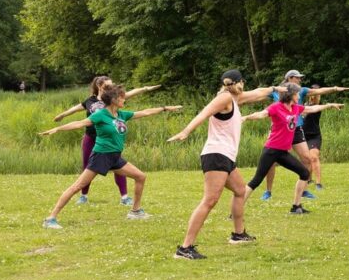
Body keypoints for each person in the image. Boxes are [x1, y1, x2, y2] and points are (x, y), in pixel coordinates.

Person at [166, 70, 279, 260]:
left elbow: (259, 92)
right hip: (216, 154)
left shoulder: (235, 98)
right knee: (209, 200)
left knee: (240, 190)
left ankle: (238, 234)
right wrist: (186, 131)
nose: (240, 87)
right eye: (237, 83)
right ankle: (185, 248)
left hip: (225, 156)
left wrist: (277, 88)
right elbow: (204, 113)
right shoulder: (224, 98)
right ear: (236, 83)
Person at [39, 83, 182, 229]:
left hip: (115, 157)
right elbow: (81, 123)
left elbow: (145, 112)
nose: (124, 99)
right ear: (114, 99)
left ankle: (135, 211)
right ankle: (50, 218)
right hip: (101, 156)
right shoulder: (101, 114)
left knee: (140, 176)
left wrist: (165, 108)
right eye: (122, 97)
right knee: (77, 186)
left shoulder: (121, 114)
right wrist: (58, 128)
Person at [52, 77, 161, 206]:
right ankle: (84, 195)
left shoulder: (112, 98)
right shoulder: (90, 101)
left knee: (118, 164)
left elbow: (130, 93)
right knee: (87, 166)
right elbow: (75, 109)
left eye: (112, 85)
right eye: (108, 85)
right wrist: (62, 115)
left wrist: (145, 88)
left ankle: (124, 197)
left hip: (108, 139)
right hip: (91, 137)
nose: (111, 87)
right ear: (99, 86)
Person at [242, 84, 342, 215]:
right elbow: (262, 114)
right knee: (256, 181)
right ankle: (235, 210)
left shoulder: (295, 108)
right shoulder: (276, 107)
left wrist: (329, 105)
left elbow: (312, 109)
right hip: (271, 150)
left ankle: (296, 207)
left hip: (283, 153)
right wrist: (246, 117)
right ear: (290, 95)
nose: (299, 96)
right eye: (297, 93)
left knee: (304, 174)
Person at [258, 70, 349, 201]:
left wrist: (335, 89)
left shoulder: (301, 90)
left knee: (307, 159)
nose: (300, 80)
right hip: (279, 131)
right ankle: (268, 191)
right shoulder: (276, 92)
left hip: (296, 129)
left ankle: (304, 189)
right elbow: (258, 95)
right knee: (271, 162)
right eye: (297, 78)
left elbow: (318, 91)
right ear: (289, 78)